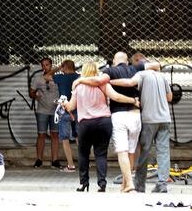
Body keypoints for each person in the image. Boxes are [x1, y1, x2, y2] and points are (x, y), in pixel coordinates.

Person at [72, 52, 161, 192]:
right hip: (136, 115)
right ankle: (125, 184)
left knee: (122, 151)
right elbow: (157, 65)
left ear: (114, 61)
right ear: (127, 61)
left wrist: (80, 80)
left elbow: (98, 82)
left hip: (119, 115)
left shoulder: (110, 71)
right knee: (132, 150)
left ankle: (129, 183)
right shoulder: (136, 68)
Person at [62, 61, 140, 192]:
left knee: (83, 154)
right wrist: (133, 100)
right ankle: (102, 183)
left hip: (85, 124)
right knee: (101, 154)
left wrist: (64, 103)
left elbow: (70, 107)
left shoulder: (78, 86)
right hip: (103, 122)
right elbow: (116, 96)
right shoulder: (103, 84)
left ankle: (83, 183)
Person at [110, 55, 172, 193]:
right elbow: (170, 97)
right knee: (163, 151)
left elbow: (129, 83)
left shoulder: (141, 74)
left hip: (149, 119)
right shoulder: (162, 77)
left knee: (144, 151)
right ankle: (162, 184)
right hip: (165, 119)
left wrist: (110, 81)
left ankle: (140, 185)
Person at [29, 57, 61, 169]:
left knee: (55, 135)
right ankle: (39, 159)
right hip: (42, 110)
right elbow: (31, 93)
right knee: (41, 134)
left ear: (51, 65)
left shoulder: (58, 78)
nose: (45, 67)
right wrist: (36, 96)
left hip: (56, 111)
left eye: (47, 64)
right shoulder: (38, 79)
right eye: (43, 65)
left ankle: (55, 160)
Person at [53, 60, 79, 172]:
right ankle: (84, 163)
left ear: (65, 67)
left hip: (64, 110)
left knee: (65, 138)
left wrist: (58, 68)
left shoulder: (61, 78)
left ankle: (70, 165)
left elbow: (47, 76)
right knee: (79, 138)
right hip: (77, 110)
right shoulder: (79, 77)